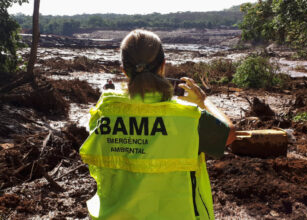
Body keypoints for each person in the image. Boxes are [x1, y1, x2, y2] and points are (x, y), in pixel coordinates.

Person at [80, 29, 236, 220]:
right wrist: (204, 102)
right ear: (163, 66)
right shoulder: (188, 117)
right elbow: (229, 133)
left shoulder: (104, 111)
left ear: (124, 70)